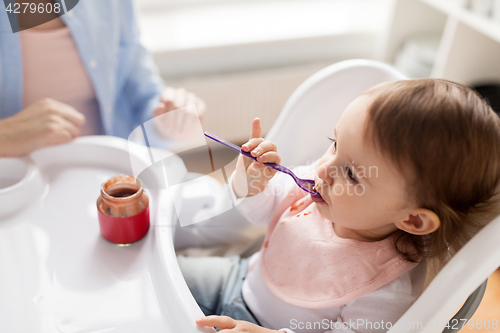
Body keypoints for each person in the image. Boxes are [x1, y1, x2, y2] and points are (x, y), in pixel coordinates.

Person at [177, 79, 500, 333]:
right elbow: (259, 212)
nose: (323, 169)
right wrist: (251, 184)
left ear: (413, 220)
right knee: (157, 276)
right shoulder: (321, 187)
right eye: (334, 145)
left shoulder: (386, 290)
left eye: (350, 173)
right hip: (238, 278)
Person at [0, 0, 206, 157]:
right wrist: (5, 136)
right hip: (14, 192)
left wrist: (168, 121)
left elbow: (143, 99)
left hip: (108, 181)